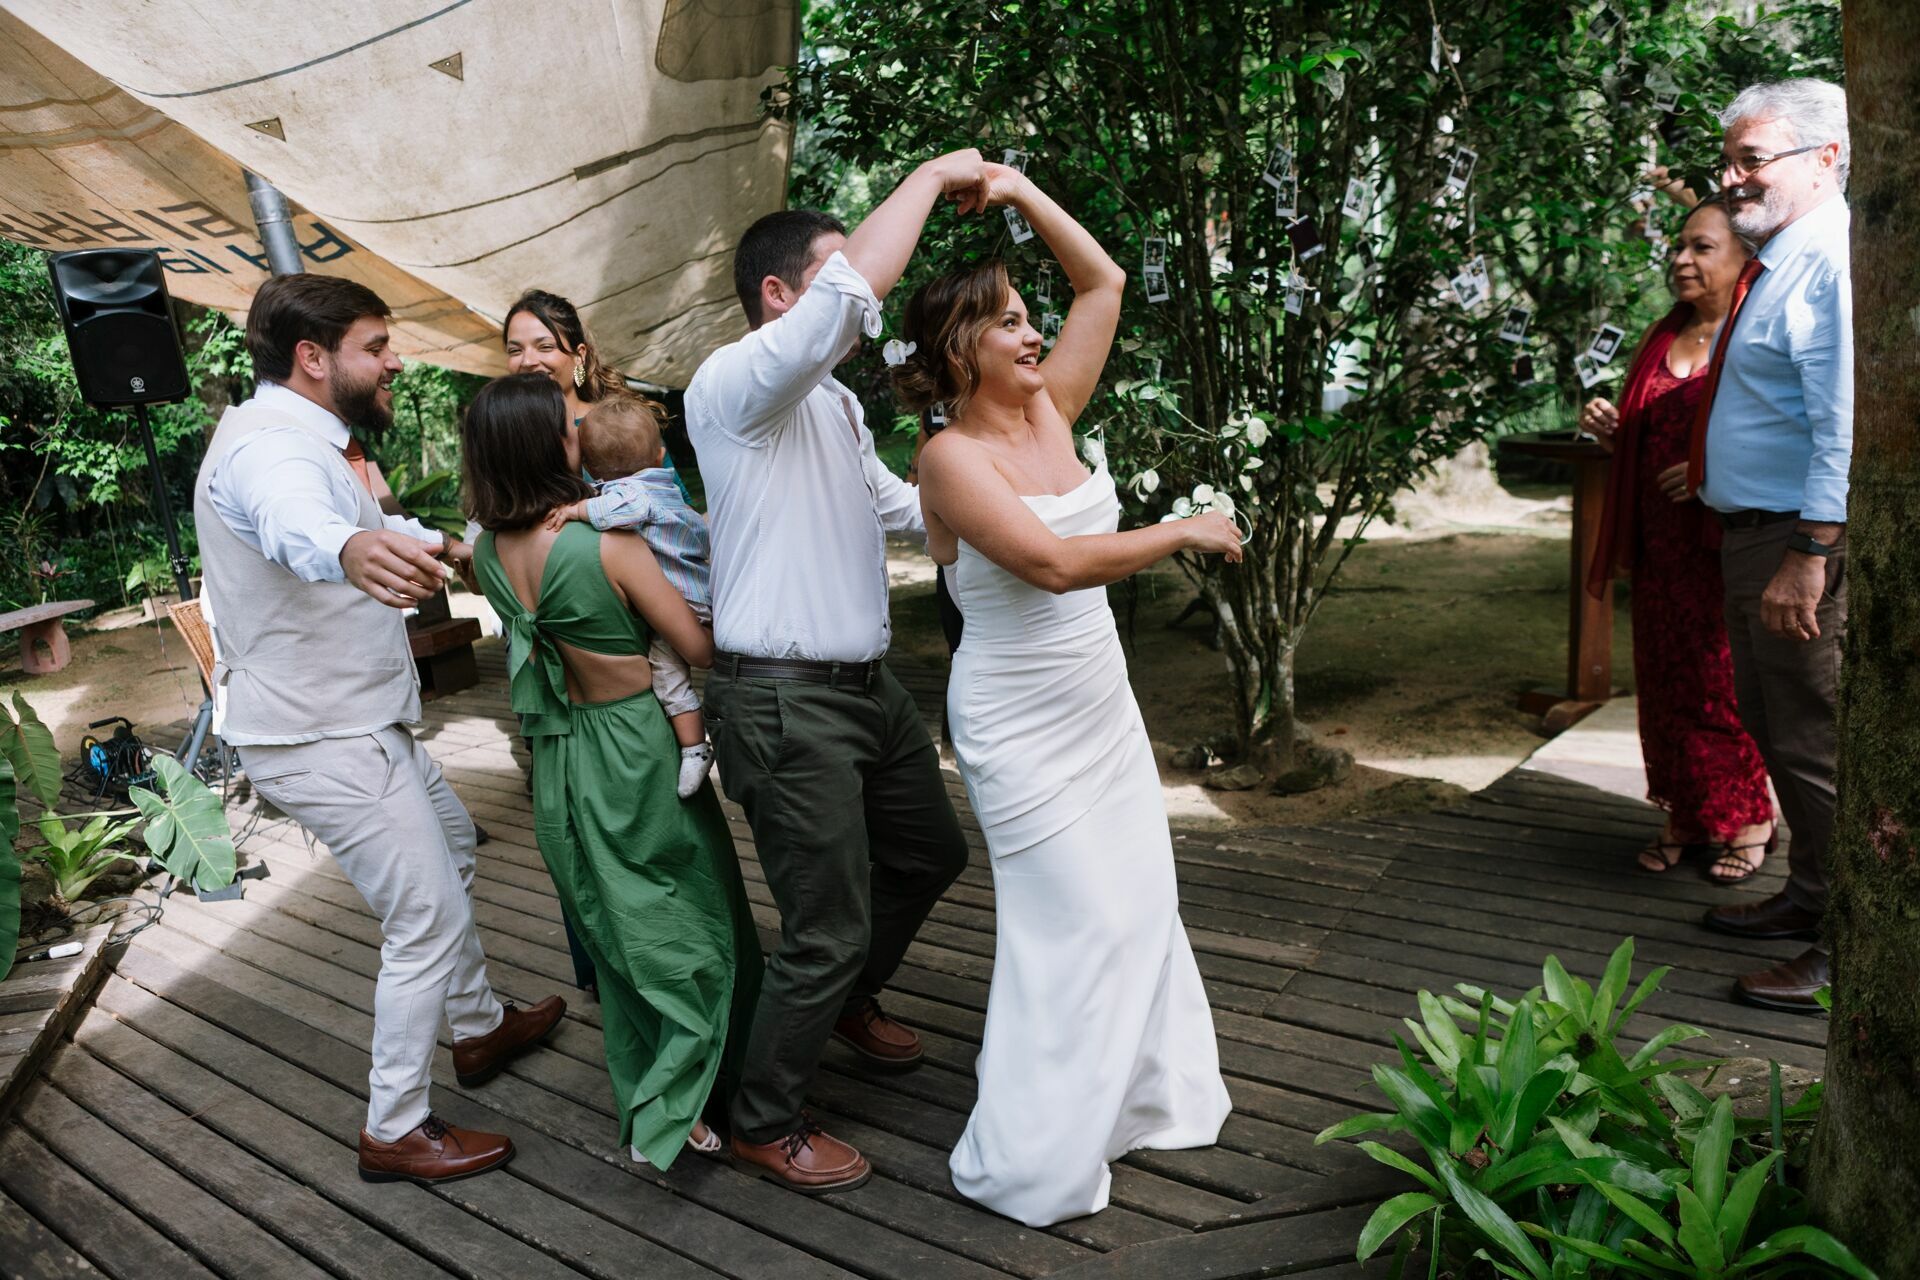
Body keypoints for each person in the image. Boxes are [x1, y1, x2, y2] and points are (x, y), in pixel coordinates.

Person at [903, 165, 1238, 1227]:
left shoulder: (1057, 402)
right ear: (961, 349)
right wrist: (1182, 530)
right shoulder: (948, 457)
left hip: (1097, 696)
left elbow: (1105, 282)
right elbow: (1049, 564)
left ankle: (1134, 1102)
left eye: (1026, 313)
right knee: (1074, 920)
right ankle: (1032, 1152)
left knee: (1137, 897)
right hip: (1016, 711)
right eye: (1007, 320)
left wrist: (1015, 188)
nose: (1032, 330)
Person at [193, 273, 564, 1183]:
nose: (395, 360)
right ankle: (394, 1127)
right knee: (427, 916)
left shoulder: (302, 436)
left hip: (361, 723)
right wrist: (354, 547)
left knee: (451, 851)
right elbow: (300, 527)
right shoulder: (273, 451)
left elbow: (346, 517)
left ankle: (476, 1027)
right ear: (313, 359)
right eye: (375, 346)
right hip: (326, 738)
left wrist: (418, 536)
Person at [683, 153, 984, 1193]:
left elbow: (899, 508)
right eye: (833, 269)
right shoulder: (733, 384)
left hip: (869, 689)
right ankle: (765, 1115)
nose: (857, 283)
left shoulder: (836, 408)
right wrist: (937, 174)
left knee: (929, 852)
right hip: (780, 697)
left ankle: (850, 997)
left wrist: (1000, 497)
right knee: (823, 925)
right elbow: (859, 293)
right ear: (780, 296)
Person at [463, 372, 762, 1167]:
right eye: (570, 426)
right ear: (545, 448)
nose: (584, 433)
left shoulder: (488, 550)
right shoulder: (608, 545)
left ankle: (655, 1094)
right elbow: (698, 650)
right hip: (636, 745)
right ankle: (689, 1099)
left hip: (561, 754)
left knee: (618, 928)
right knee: (693, 917)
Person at [1688, 79, 1853, 1012]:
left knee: (1812, 740)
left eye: (1754, 159)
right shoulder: (1779, 258)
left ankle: (1845, 947)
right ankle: (1810, 895)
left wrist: (1811, 551)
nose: (1732, 176)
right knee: (1775, 726)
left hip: (1794, 543)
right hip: (1751, 535)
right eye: (1733, 158)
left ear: (1826, 158)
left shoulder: (1830, 259)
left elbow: (1844, 423)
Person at [1581, 196, 1776, 882]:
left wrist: (1709, 472)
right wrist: (1617, 429)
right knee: (1664, 683)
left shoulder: (1753, 337)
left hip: (1723, 541)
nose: (1681, 260)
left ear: (1744, 257)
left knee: (1720, 685)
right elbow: (1654, 430)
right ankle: (1687, 814)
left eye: (1700, 247)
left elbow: (1778, 434)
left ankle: (1748, 816)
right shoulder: (1664, 334)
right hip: (1661, 547)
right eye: (1678, 247)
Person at [543, 394, 716, 798]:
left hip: (682, 600)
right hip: (698, 590)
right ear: (659, 456)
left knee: (668, 675)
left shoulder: (630, 496)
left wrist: (575, 511)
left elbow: (617, 510)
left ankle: (694, 748)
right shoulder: (662, 486)